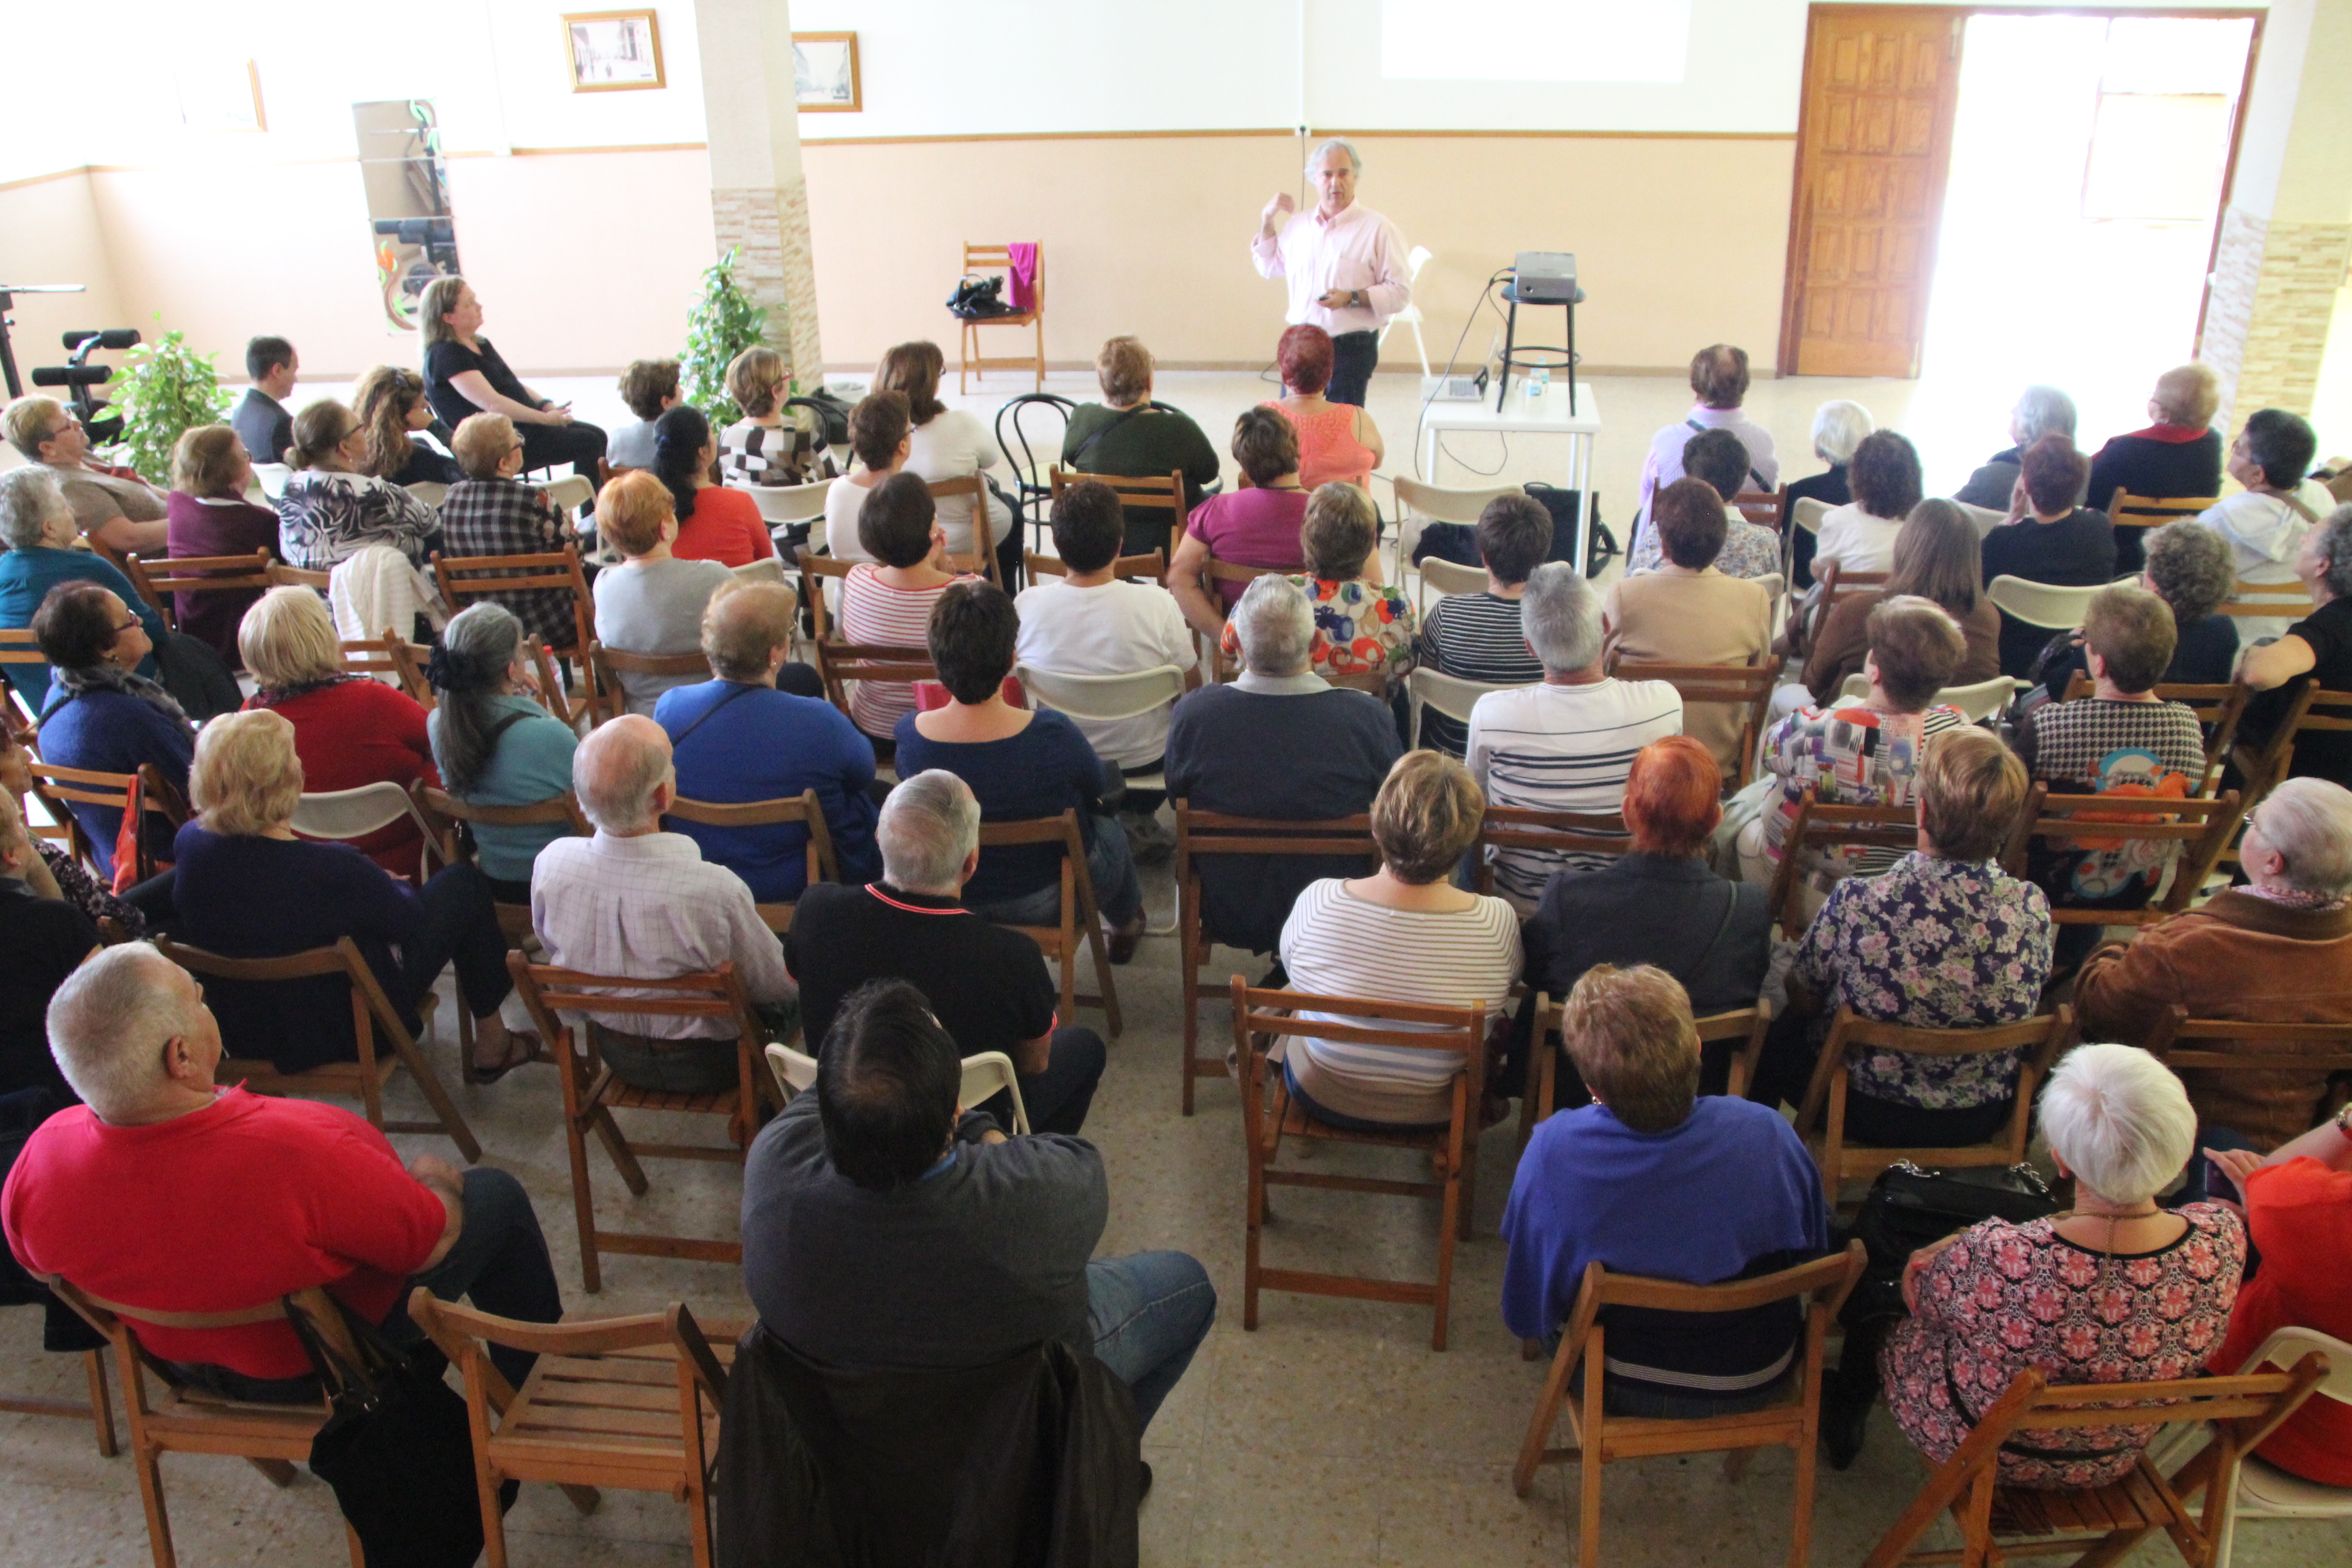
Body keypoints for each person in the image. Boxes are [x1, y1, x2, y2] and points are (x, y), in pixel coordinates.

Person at [1, 942, 564, 1401]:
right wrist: (437, 1180)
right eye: (198, 998)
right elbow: (426, 1244)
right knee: (494, 1194)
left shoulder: (36, 1162)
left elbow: (42, 1270)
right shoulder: (298, 1146)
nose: (206, 1005)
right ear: (181, 1057)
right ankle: (539, 1390)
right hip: (327, 1365)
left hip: (182, 1367)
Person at [739, 974, 1212, 1443]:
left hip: (846, 1425)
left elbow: (836, 1090)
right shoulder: (1032, 1201)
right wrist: (982, 1129)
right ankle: (1098, 1467)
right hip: (1015, 1416)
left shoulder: (771, 1171)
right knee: (1187, 1285)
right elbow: (1067, 1163)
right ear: (954, 1110)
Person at [1878, 1044, 2242, 1488]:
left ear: (2061, 1161)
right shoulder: (2224, 1239)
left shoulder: (2000, 1254)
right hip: (2110, 1457)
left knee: (1896, 1300)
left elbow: (1924, 1303)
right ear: (2183, 1158)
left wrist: (1959, 1247)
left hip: (1984, 1449)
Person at [1501, 964, 1828, 1416]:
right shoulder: (1769, 1133)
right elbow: (1812, 1249)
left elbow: (1528, 1309)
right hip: (1759, 1371)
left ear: (1594, 1088)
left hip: (1614, 1375)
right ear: (1697, 1050)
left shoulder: (1553, 1152)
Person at [170, 709, 531, 1080]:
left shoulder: (191, 846)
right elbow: (408, 922)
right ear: (286, 781)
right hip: (348, 1033)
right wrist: (391, 884)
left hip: (244, 1034)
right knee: (463, 884)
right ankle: (494, 1043)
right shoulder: (331, 869)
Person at [1754, 730, 2053, 1146]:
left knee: (1774, 1010)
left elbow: (1803, 997)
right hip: (1979, 1115)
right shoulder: (2032, 908)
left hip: (1855, 1108)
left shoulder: (1858, 900)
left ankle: (1759, 1153)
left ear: (1922, 809)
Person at [785, 775, 1107, 1132]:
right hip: (967, 1127)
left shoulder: (815, 911)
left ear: (879, 840)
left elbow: (798, 985)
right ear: (970, 863)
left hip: (840, 1111)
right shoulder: (1013, 957)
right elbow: (1035, 1063)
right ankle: (1021, 1160)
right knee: (1085, 1047)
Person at [2077, 778, 2352, 1150]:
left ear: (2273, 862)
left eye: (2254, 823)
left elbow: (2100, 1009)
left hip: (2175, 1135)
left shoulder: (2188, 948)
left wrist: (2121, 949)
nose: (2248, 826)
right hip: (2310, 1144)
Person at [531, 715, 797, 1094]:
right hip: (714, 1062)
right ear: (662, 795)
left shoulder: (551, 864)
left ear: (581, 795)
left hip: (616, 1052)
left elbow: (550, 943)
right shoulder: (715, 889)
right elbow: (776, 986)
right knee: (802, 981)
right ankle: (778, 1108)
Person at [896, 582, 1146, 954]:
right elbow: (1096, 786)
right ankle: (1126, 924)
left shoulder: (911, 738)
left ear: (937, 660)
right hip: (1048, 901)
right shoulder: (1052, 732)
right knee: (1109, 828)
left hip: (954, 898)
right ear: (1012, 658)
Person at [1275, 751, 1520, 1128]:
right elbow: (1507, 986)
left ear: (1376, 828)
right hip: (1437, 1104)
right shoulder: (1496, 921)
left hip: (1323, 1091)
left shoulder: (1319, 900)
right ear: (1467, 841)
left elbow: (1295, 972)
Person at [1164, 574, 1401, 957]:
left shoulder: (1195, 716)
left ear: (1237, 645)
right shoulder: (1369, 720)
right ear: (1317, 644)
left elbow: (1177, 797)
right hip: (1338, 911)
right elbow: (1393, 812)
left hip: (1230, 906)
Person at [1522, 737, 1772, 1100]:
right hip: (1696, 1096)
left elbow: (1534, 974)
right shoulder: (1748, 909)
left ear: (1627, 812)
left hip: (1582, 1094)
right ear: (1716, 821)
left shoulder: (1568, 897)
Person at [1467, 564, 1682, 913]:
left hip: (1524, 909)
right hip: (1623, 907)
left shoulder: (1491, 715)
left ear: (1530, 647)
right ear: (1606, 626)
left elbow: (1476, 798)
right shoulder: (1664, 704)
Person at [657, 578, 877, 902]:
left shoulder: (670, 707)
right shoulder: (818, 721)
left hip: (702, 869)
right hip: (794, 879)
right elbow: (865, 772)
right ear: (774, 654)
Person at [2015, 584, 2205, 950]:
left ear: (2098, 664)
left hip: (2042, 883)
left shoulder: (2049, 725)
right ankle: (2077, 956)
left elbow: (2011, 803)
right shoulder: (2188, 726)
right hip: (2136, 884)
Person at [1741, 595, 1970, 898]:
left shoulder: (1814, 730)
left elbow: (1766, 756)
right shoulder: (1957, 732)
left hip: (1813, 884)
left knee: (1743, 829)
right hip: (1899, 885)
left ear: (1874, 670)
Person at [1011, 480, 1196, 805]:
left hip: (1065, 762)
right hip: (1148, 760)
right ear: (1120, 546)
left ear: (1056, 544)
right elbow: (1191, 690)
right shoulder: (1159, 604)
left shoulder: (1026, 606)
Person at [238, 585, 439, 880]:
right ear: (323, 638)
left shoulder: (250, 720)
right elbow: (443, 745)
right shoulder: (374, 701)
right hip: (415, 863)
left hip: (315, 873)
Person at [2202, 1108, 2352, 1486]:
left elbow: (2266, 1176)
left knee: (2220, 1151)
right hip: (2345, 1468)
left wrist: (2348, 1121)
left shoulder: (2325, 1207)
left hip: (2254, 1416)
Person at [1602, 477, 1771, 781]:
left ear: (1663, 544)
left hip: (1641, 764)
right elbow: (1755, 683)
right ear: (1721, 540)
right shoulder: (1754, 599)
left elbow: (1602, 675)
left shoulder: (1625, 596)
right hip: (1715, 763)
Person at [28, 582, 193, 881]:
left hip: (114, 858)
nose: (139, 619)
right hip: (168, 863)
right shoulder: (130, 717)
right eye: (129, 618)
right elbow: (200, 788)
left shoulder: (58, 693)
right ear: (106, 648)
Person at [426, 604, 581, 902]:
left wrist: (511, 697)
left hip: (495, 881)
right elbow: (597, 804)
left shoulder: (438, 725)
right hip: (561, 883)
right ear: (512, 670)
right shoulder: (549, 736)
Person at [1250, 137, 1412, 408]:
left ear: (1356, 177)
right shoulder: (1298, 226)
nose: (1335, 182)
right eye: (1327, 174)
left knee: (1341, 426)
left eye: (1343, 173)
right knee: (1291, 424)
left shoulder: (1378, 228)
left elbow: (1400, 292)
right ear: (1314, 179)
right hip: (1300, 343)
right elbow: (1268, 266)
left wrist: (1351, 298)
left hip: (1350, 347)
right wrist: (1267, 220)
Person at [417, 274, 606, 497]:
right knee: (589, 442)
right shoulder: (446, 354)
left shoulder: (479, 343)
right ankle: (590, 511)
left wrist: (544, 405)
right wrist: (545, 419)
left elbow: (513, 385)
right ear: (448, 317)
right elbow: (492, 403)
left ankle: (592, 507)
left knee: (597, 435)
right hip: (495, 443)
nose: (479, 306)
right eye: (469, 303)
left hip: (521, 426)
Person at [0, 466, 167, 713]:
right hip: (125, 700)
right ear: (49, 528)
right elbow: (153, 631)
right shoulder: (89, 568)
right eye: (63, 505)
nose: (72, 511)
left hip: (53, 712)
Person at [1803, 499, 1999, 706]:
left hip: (1854, 723)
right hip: (1954, 725)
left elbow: (1814, 685)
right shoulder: (1988, 618)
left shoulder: (1856, 612)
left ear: (1905, 546)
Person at [2028, 517, 2238, 701]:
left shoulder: (2123, 633)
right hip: (2187, 732)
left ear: (2154, 584)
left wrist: (2071, 641)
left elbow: (2055, 688)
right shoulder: (2225, 634)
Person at [839, 473, 979, 741]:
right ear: (931, 531)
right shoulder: (971, 592)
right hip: (941, 729)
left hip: (872, 726)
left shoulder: (857, 580)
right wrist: (940, 565)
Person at [1412, 492, 1550, 757]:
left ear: (1483, 556)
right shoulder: (1556, 626)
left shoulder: (1446, 614)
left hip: (1452, 759)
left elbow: (1428, 686)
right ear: (1542, 558)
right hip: (1528, 758)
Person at [591, 470, 736, 716]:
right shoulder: (713, 577)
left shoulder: (603, 585)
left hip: (645, 722)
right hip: (714, 712)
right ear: (663, 527)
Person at [874, 341, 1014, 580]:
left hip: (909, 538)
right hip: (970, 533)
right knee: (1011, 509)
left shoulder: (881, 439)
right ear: (930, 385)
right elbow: (991, 458)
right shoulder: (962, 423)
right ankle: (1003, 590)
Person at [2234, 503, 2352, 786]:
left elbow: (2260, 673)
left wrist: (2255, 652)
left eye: (2309, 537)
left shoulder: (2330, 625)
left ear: (2323, 565)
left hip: (2304, 775)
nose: (2301, 540)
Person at [1166, 407, 1309, 640]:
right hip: (1306, 636)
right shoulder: (1326, 514)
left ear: (1243, 464)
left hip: (1240, 631)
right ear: (1296, 449)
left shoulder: (1214, 511)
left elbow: (1178, 578)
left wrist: (1225, 637)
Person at [1980, 435, 2117, 676]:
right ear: (2077, 484)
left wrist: (2010, 519)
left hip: (2010, 663)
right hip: (2071, 661)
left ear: (2026, 485)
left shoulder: (2001, 542)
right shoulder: (2099, 528)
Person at [441, 412, 580, 649]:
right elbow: (574, 552)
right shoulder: (535, 498)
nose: (522, 445)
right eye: (517, 442)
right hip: (545, 624)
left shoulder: (452, 497)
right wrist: (572, 531)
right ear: (503, 463)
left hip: (483, 630)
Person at [0, 717, 144, 941]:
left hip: (106, 908)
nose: (28, 756)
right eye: (11, 753)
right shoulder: (23, 849)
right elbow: (72, 929)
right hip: (112, 941)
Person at [2195, 408, 2329, 645]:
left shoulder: (2219, 521)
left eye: (2239, 448)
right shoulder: (2324, 502)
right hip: (2301, 643)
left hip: (2226, 645)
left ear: (2257, 474)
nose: (2233, 451)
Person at [1060, 336, 1220, 527]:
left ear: (1102, 380)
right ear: (1148, 381)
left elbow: (1070, 457)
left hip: (1103, 534)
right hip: (1167, 536)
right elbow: (1209, 473)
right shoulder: (1180, 427)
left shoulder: (1081, 417)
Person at [1632, 345, 1779, 553]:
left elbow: (1647, 499)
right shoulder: (1763, 440)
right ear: (1745, 384)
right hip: (1748, 548)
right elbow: (1768, 493)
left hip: (1679, 550)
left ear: (1695, 383)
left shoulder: (1666, 439)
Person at [0, 791, 98, 1099]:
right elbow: (111, 1015)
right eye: (20, 824)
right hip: (62, 1101)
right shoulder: (56, 923)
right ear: (11, 854)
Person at [273, 399, 442, 572]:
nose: (365, 431)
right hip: (383, 588)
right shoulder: (374, 493)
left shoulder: (291, 487)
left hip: (315, 589)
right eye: (359, 427)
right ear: (345, 447)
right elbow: (432, 523)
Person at [2087, 363, 2225, 573]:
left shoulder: (2125, 449)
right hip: (2179, 559)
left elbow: (2091, 501)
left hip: (2120, 560)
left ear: (2164, 414)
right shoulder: (2212, 444)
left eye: (2154, 397)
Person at [162, 425, 278, 665]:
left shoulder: (178, 506)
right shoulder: (260, 522)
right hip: (252, 642)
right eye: (245, 455)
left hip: (195, 642)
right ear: (233, 469)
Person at [2, 395, 169, 559]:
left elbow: (142, 484)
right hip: (168, 560)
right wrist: (184, 522)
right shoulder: (70, 485)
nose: (78, 423)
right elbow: (130, 539)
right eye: (67, 425)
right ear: (47, 447)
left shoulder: (81, 458)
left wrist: (183, 501)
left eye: (71, 416)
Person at [1291, 480, 1414, 690]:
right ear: (1372, 543)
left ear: (1306, 534)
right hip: (1367, 708)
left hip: (1291, 706)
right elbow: (1404, 666)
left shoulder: (1271, 596)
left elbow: (1235, 654)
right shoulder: (1396, 604)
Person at [1263, 324, 1383, 493]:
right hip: (1346, 510)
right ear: (1330, 372)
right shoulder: (1359, 420)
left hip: (1281, 510)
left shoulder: (1261, 419)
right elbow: (1376, 463)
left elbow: (1248, 471)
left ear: (1283, 370)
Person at [651, 404, 772, 568]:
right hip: (740, 585)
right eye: (710, 432)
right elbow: (767, 565)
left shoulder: (651, 513)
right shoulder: (740, 502)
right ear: (703, 451)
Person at [1812, 429, 1923, 583]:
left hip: (1846, 599)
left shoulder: (1838, 519)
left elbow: (1823, 572)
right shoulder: (1922, 527)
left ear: (1858, 475)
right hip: (1900, 598)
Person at [1788, 399, 1874, 589]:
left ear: (1821, 439)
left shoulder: (1800, 492)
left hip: (1806, 581)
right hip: (1860, 582)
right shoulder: (1876, 494)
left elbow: (1790, 542)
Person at [719, 346, 831, 489]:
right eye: (786, 374)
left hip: (748, 505)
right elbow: (842, 485)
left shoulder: (726, 438)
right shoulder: (806, 442)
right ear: (775, 392)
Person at [821, 391, 913, 568]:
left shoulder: (836, 489)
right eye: (911, 430)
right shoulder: (909, 498)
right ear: (902, 446)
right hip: (892, 586)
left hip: (847, 586)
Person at [1953, 385, 2078, 511]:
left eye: (2020, 407)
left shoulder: (1990, 478)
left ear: (2030, 426)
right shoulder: (2082, 480)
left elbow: (1945, 516)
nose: (2012, 410)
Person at [351, 364, 459, 488]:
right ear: (403, 415)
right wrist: (434, 426)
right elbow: (473, 471)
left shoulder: (350, 454)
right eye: (421, 406)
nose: (426, 405)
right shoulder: (414, 459)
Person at [231, 336, 297, 466]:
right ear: (277, 370)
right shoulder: (281, 423)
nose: (296, 379)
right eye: (294, 370)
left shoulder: (239, 413)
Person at [606, 357, 681, 472]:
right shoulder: (683, 438)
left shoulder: (617, 438)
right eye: (679, 387)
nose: (683, 392)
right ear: (666, 402)